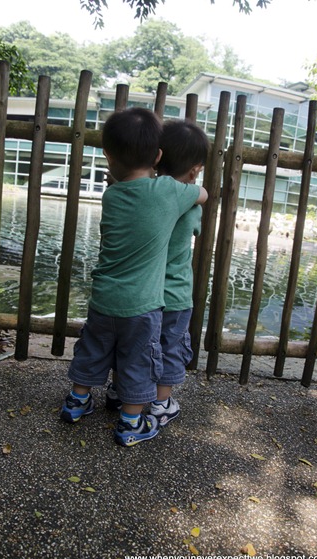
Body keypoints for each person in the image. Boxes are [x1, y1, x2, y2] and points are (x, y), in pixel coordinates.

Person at [60, 108, 208, 447]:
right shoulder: (169, 193)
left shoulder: (111, 195)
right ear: (156, 157)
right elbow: (202, 195)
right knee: (139, 358)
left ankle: (77, 400)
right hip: (144, 304)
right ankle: (130, 423)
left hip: (104, 298)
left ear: (108, 156)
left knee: (95, 349)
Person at [106, 120, 209, 428]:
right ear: (194, 170)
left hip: (142, 293)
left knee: (132, 345)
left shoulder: (139, 196)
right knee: (169, 348)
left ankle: (120, 390)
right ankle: (161, 404)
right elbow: (196, 224)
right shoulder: (189, 204)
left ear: (156, 157)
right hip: (174, 294)